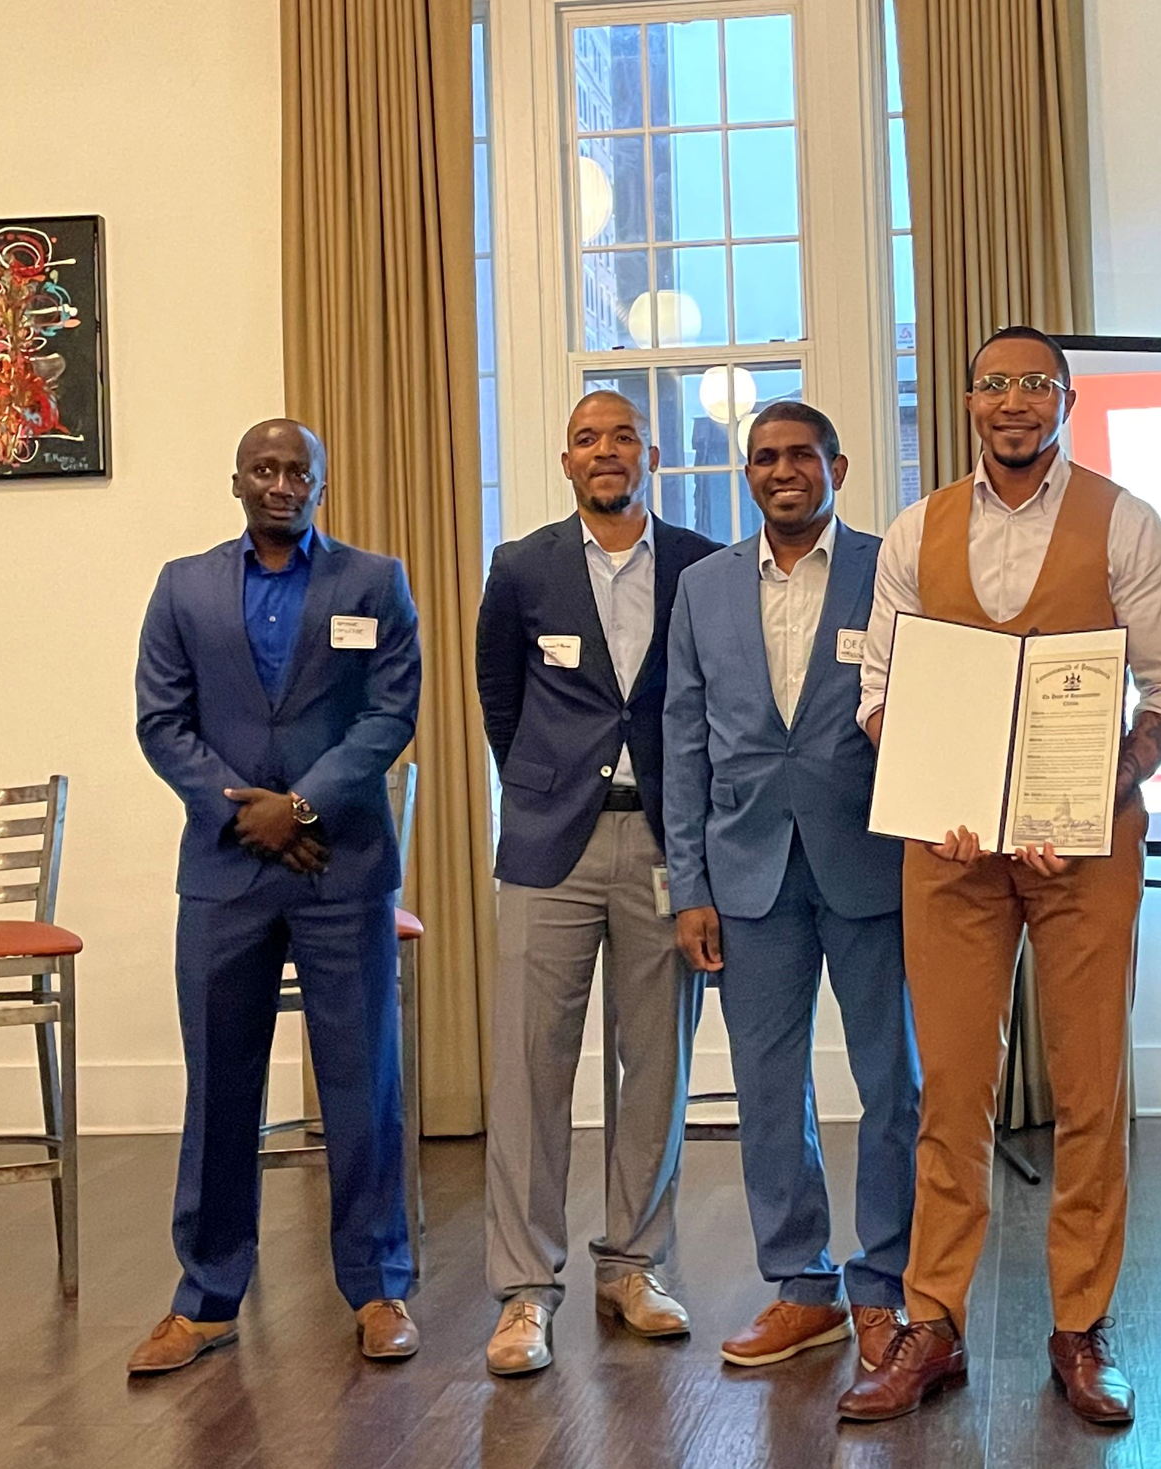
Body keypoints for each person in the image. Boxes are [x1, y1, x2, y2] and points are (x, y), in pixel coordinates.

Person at [836, 327, 1161, 1427]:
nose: (1010, 401)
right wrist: (923, 771)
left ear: (1064, 399)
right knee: (950, 1091)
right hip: (946, 852)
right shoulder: (917, 528)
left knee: (1089, 1089)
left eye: (1031, 384)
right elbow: (878, 684)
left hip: (1083, 847)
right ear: (966, 399)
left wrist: (1098, 787)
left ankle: (1079, 1326)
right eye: (992, 383)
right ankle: (931, 1324)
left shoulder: (1124, 519)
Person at [129, 418, 422, 1373]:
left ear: (322, 484)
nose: (282, 482)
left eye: (300, 469)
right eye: (266, 468)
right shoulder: (184, 586)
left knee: (361, 1083)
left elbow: (390, 715)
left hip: (342, 866)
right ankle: (207, 1296)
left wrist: (297, 807)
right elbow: (160, 721)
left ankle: (378, 1288)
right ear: (238, 481)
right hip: (224, 869)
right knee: (219, 1085)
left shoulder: (374, 582)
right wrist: (246, 815)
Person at [662, 400, 921, 1378]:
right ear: (748, 473)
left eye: (800, 456)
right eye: (764, 458)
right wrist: (688, 882)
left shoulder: (886, 568)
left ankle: (883, 1280)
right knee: (769, 1085)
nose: (782, 471)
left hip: (869, 859)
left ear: (837, 465)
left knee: (890, 1079)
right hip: (745, 872)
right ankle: (800, 1287)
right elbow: (679, 741)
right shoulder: (702, 586)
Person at [474, 390, 723, 1376]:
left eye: (622, 435)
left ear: (649, 453)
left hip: (667, 843)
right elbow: (501, 695)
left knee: (655, 1059)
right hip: (551, 845)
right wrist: (542, 780)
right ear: (566, 459)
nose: (606, 451)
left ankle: (632, 1263)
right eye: (587, 438)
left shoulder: (703, 565)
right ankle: (523, 1291)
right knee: (530, 1064)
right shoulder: (521, 567)